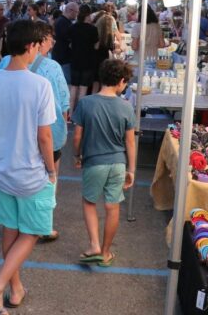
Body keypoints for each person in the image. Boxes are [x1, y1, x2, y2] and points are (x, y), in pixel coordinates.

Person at [0, 19, 56, 313]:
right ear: (31, 46)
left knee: (10, 229)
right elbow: (44, 136)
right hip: (30, 171)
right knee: (32, 232)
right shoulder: (39, 85)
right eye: (38, 45)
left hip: (0, 168)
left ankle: (15, 288)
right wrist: (51, 170)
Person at [0, 20, 69, 244]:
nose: (50, 43)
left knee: (16, 175)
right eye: (47, 39)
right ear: (35, 43)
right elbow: (63, 103)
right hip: (46, 131)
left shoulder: (4, 64)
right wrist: (63, 127)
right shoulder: (52, 68)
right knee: (48, 177)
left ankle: (15, 221)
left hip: (10, 134)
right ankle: (41, 224)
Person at [72, 59, 136, 268]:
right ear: (120, 81)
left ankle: (94, 246)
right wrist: (131, 169)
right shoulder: (126, 107)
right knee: (112, 206)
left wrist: (77, 155)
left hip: (94, 162)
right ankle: (106, 252)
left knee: (89, 202)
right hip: (118, 162)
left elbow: (77, 136)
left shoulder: (86, 103)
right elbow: (130, 142)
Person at [69, 4, 99, 112]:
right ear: (89, 15)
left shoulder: (72, 27)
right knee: (83, 89)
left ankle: (70, 113)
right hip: (88, 62)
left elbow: (70, 45)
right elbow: (96, 46)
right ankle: (79, 114)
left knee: (73, 88)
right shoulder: (93, 29)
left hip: (75, 60)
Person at [52, 2, 78, 84]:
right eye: (76, 12)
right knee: (66, 82)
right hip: (63, 58)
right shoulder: (64, 23)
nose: (76, 14)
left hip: (60, 55)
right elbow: (67, 39)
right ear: (70, 10)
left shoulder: (61, 21)